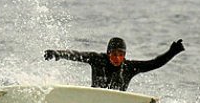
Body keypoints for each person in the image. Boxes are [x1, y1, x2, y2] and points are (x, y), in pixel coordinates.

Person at [44, 37, 185, 91]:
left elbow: (154, 63)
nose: (117, 58)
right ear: (108, 53)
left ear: (124, 56)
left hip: (115, 102)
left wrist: (172, 52)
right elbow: (76, 54)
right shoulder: (98, 59)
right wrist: (58, 53)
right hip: (96, 98)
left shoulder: (129, 67)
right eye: (113, 54)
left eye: (121, 55)